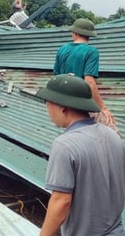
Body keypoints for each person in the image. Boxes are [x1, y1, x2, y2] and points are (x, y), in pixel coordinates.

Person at [36, 74, 125, 236]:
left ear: (62, 107)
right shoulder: (113, 136)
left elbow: (61, 202)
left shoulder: (64, 145)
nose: (47, 110)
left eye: (48, 104)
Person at [53, 18, 116, 130]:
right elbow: (89, 81)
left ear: (75, 33)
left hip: (65, 103)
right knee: (109, 129)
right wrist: (103, 108)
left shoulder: (62, 49)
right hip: (82, 103)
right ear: (89, 35)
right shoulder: (91, 52)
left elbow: (56, 77)